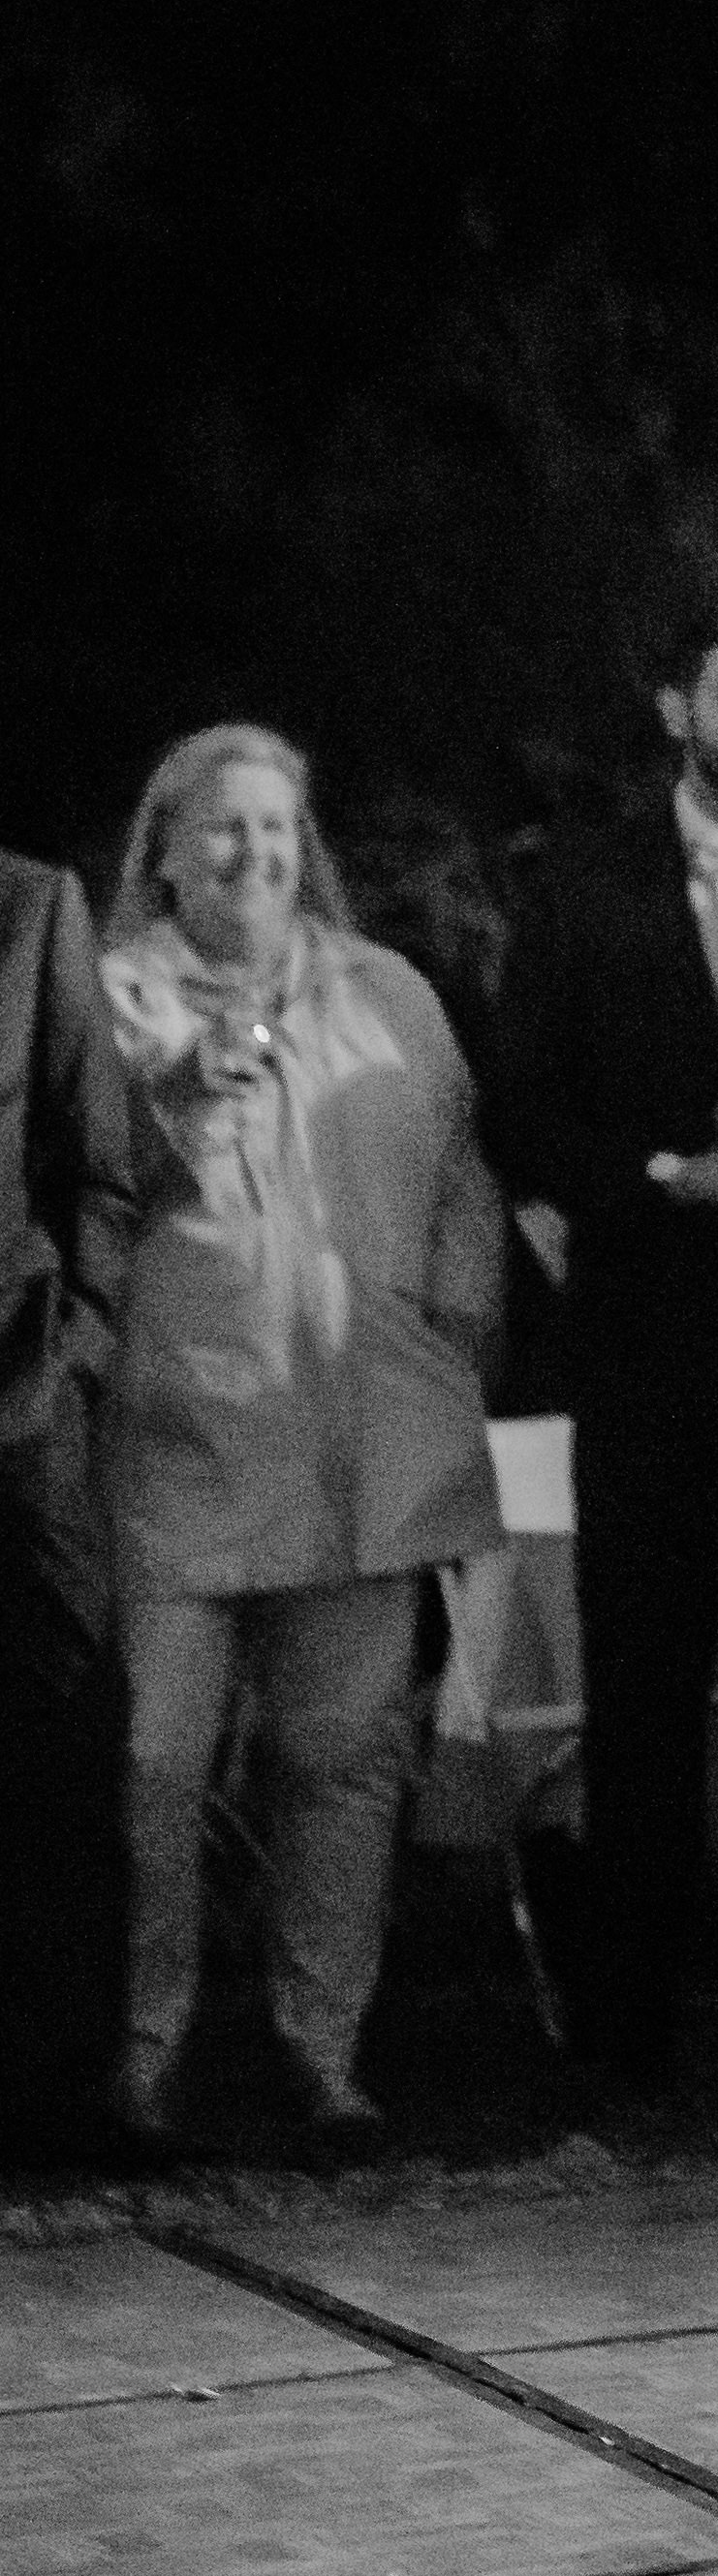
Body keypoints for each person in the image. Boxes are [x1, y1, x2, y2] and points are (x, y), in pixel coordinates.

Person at [97, 727, 505, 2144]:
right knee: (150, 1767)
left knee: (343, 1762)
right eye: (224, 830)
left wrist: (461, 1318)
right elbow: (70, 1201)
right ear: (163, 847)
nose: (255, 854)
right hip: (179, 1452)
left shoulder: (385, 990)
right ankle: (140, 2050)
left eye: (277, 828)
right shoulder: (108, 998)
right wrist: (170, 1111)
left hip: (371, 1454)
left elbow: (460, 1173)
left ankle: (318, 2051)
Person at [488, 593, 718, 2090]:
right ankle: (628, 2024)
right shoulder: (579, 882)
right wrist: (660, 1181)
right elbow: (522, 1109)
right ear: (678, 710)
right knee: (646, 1666)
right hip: (649, 1318)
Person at [0, 846, 139, 2151]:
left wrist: (74, 1354)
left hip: (19, 1406)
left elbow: (102, 1163)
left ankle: (56, 2088)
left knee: (59, 1742)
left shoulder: (33, 910)